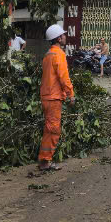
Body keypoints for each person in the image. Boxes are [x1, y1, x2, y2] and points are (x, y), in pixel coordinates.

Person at [37, 24, 75, 172]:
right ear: (58, 38)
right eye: (63, 35)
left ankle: (44, 159)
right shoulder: (58, 54)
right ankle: (45, 161)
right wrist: (70, 94)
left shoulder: (48, 55)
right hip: (53, 97)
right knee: (53, 130)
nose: (65, 36)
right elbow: (64, 77)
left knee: (49, 128)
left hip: (46, 96)